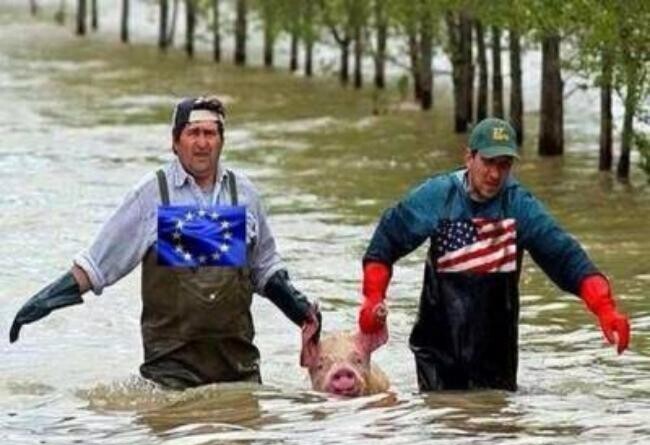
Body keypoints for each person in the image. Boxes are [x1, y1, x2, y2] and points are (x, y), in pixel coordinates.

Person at [10, 95, 320, 390]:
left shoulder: (245, 194)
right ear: (175, 142)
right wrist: (42, 302)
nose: (202, 143)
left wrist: (302, 311)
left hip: (239, 369)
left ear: (221, 142)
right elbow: (96, 267)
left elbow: (265, 270)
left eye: (210, 134)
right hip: (170, 374)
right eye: (193, 133)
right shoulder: (151, 195)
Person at [357, 117, 631, 392]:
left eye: (504, 165)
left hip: (495, 354)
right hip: (438, 351)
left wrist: (605, 308)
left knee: (496, 428)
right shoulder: (437, 196)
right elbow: (387, 242)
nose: (495, 174)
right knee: (444, 425)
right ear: (469, 157)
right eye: (488, 162)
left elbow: (564, 257)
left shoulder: (519, 206)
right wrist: (373, 298)